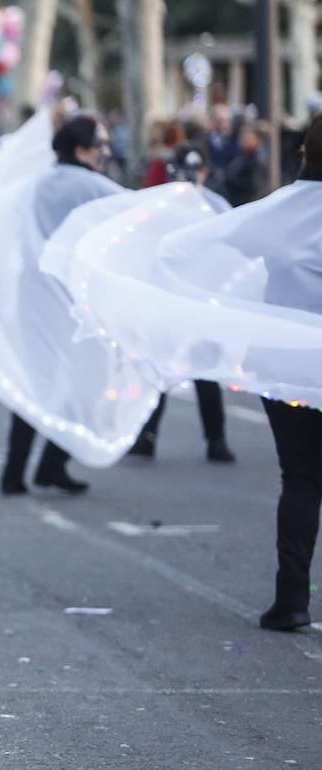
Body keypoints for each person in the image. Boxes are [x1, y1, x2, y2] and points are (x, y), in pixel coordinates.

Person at [0, 115, 124, 496]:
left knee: (36, 382)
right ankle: (52, 464)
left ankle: (16, 471)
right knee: (83, 383)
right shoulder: (96, 188)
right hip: (75, 299)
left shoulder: (33, 184)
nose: (104, 152)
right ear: (81, 149)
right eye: (98, 145)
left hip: (33, 295)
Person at [127, 144, 235, 463]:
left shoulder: (212, 208)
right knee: (170, 369)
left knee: (199, 372)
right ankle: (153, 437)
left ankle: (213, 439)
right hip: (176, 300)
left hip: (198, 301)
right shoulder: (165, 208)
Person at [258, 114, 322, 631]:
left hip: (289, 368)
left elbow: (224, 241)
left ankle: (292, 598)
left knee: (301, 478)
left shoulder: (281, 211)